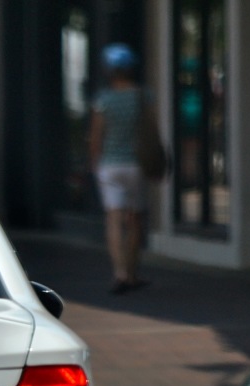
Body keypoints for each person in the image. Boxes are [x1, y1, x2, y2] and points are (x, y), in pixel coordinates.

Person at [90, 43, 151, 294]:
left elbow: (96, 135)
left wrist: (94, 162)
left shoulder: (103, 99)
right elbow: (150, 130)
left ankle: (120, 272)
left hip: (110, 165)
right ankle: (133, 272)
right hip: (136, 164)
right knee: (135, 219)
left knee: (114, 219)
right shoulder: (143, 96)